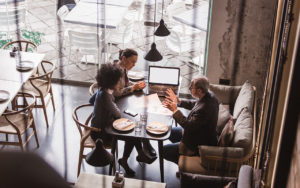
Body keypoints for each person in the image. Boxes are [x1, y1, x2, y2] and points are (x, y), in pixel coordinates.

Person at [89, 63, 155, 177]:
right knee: (132, 134)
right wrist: (112, 105)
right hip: (100, 133)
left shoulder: (104, 89)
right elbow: (118, 114)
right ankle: (132, 157)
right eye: (118, 80)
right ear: (113, 82)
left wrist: (132, 88)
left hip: (102, 124)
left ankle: (135, 155)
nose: (120, 83)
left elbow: (92, 99)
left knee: (133, 131)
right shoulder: (106, 96)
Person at [162, 76, 219, 164]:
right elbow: (195, 104)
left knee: (164, 151)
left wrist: (175, 110)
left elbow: (188, 126)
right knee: (168, 131)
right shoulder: (209, 95)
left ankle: (184, 161)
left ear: (199, 90)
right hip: (198, 133)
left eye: (191, 87)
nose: (189, 88)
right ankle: (179, 147)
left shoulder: (205, 109)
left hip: (197, 143)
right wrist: (178, 101)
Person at [114, 48, 157, 157]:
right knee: (136, 120)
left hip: (121, 101)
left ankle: (145, 144)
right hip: (116, 104)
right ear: (124, 58)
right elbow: (116, 93)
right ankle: (144, 145)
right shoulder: (116, 71)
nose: (134, 65)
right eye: (132, 62)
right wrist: (133, 87)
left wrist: (136, 84)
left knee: (139, 116)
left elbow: (126, 83)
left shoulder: (123, 68)